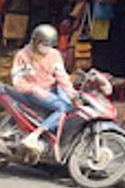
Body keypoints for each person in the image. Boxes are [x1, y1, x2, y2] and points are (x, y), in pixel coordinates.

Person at [10, 24, 80, 152]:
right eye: (44, 44)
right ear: (35, 42)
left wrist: (71, 92)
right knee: (64, 108)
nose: (46, 48)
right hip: (33, 93)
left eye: (49, 45)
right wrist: (34, 89)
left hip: (51, 91)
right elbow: (18, 81)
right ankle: (34, 136)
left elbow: (62, 76)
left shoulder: (54, 55)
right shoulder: (23, 56)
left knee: (72, 109)